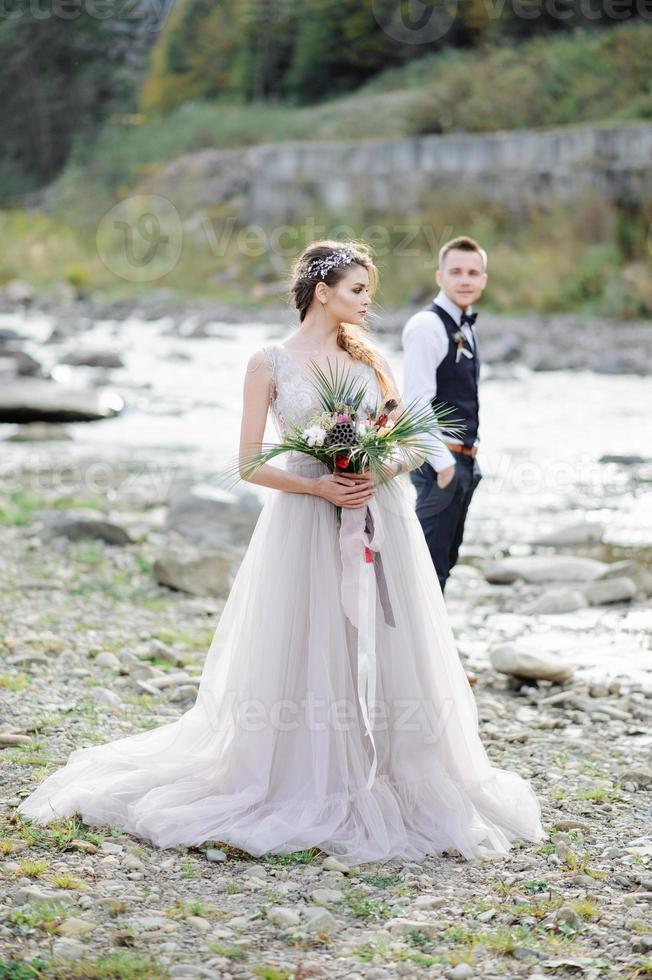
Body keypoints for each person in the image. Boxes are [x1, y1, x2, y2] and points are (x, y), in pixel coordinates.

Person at [16, 240, 543, 866]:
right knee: (310, 642)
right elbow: (248, 463)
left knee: (387, 643)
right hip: (304, 520)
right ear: (322, 292)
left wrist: (381, 468)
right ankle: (307, 772)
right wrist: (317, 483)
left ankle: (394, 768)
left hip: (379, 518)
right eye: (357, 289)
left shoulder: (371, 359)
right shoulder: (268, 362)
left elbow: (407, 440)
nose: (367, 301)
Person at [402, 235, 487, 596]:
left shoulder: (465, 325)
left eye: (473, 272)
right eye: (456, 272)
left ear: (483, 279)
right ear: (440, 277)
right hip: (441, 464)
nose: (465, 280)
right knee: (424, 576)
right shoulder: (427, 326)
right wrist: (445, 466)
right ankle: (409, 653)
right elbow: (416, 402)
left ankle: (427, 652)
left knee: (443, 568)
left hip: (465, 461)